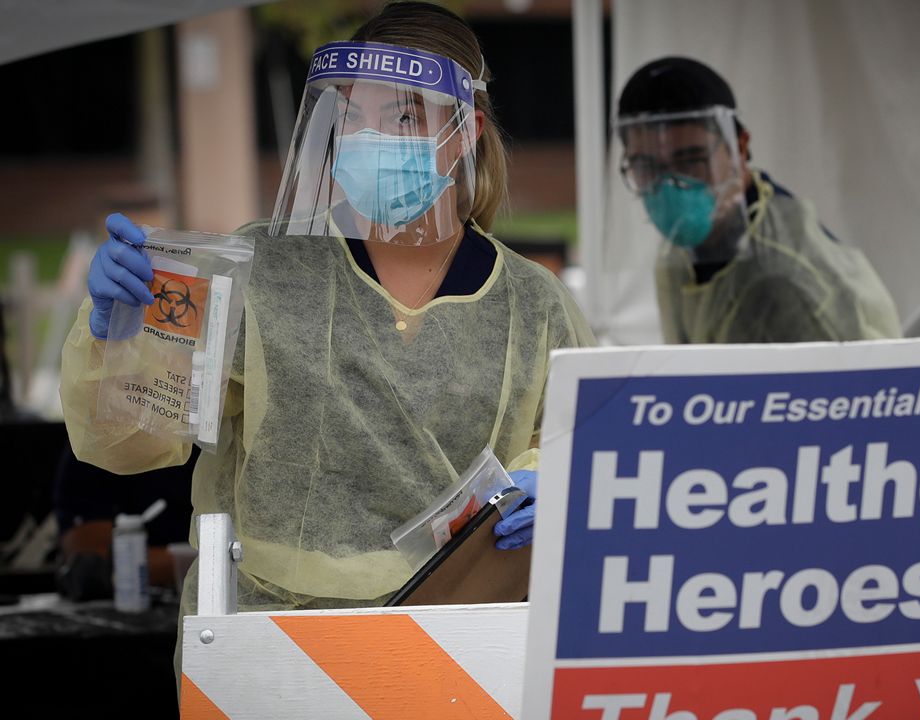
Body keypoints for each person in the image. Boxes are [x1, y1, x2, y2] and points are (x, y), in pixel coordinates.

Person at [60, 1, 592, 620]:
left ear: (466, 132)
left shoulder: (533, 305)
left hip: (459, 645)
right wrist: (118, 332)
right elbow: (128, 442)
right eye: (355, 117)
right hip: (269, 645)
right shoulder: (260, 268)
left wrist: (558, 482)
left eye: (404, 115)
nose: (373, 140)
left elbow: (588, 455)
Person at [616, 57, 902, 344]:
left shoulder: (786, 282)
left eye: (691, 160)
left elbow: (847, 386)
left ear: (739, 147)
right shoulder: (681, 251)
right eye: (646, 166)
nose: (670, 186)